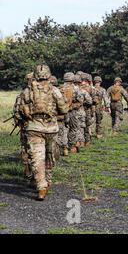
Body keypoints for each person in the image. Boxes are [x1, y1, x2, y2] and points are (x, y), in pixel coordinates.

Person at [17, 64, 68, 201]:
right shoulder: (55, 90)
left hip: (34, 128)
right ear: (49, 75)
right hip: (51, 129)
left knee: (37, 158)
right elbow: (63, 110)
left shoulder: (27, 91)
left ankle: (41, 187)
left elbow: (19, 110)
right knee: (50, 154)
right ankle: (48, 179)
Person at [68, 74, 92, 153]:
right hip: (81, 111)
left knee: (71, 129)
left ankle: (73, 144)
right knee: (80, 128)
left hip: (70, 111)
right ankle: (80, 142)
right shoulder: (83, 91)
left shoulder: (68, 89)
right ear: (80, 82)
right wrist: (83, 103)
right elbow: (89, 101)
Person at [57, 72, 76, 156]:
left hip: (60, 112)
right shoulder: (75, 88)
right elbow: (80, 99)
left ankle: (63, 147)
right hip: (71, 111)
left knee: (62, 130)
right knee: (72, 128)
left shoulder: (59, 88)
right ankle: (70, 147)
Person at [80, 73, 95, 147]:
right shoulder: (80, 88)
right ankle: (83, 141)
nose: (83, 82)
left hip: (87, 109)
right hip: (83, 109)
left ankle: (87, 141)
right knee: (82, 126)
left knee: (86, 126)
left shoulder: (91, 89)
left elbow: (94, 101)